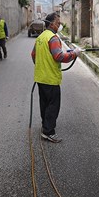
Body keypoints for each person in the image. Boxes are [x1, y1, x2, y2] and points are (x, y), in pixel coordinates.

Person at [31, 12, 81, 143]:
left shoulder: (41, 37)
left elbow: (33, 55)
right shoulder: (53, 38)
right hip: (51, 79)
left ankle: (45, 125)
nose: (59, 25)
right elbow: (59, 57)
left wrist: (42, 65)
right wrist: (74, 54)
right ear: (52, 23)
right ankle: (48, 132)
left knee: (44, 104)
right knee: (53, 106)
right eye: (58, 23)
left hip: (40, 78)